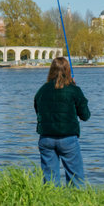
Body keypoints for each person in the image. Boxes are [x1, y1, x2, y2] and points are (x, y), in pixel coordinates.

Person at [34, 57, 90, 187]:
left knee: (50, 180)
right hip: (68, 138)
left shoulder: (42, 90)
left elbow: (38, 112)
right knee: (76, 178)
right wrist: (76, 90)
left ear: (51, 70)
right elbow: (85, 116)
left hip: (46, 139)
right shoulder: (74, 90)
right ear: (68, 70)